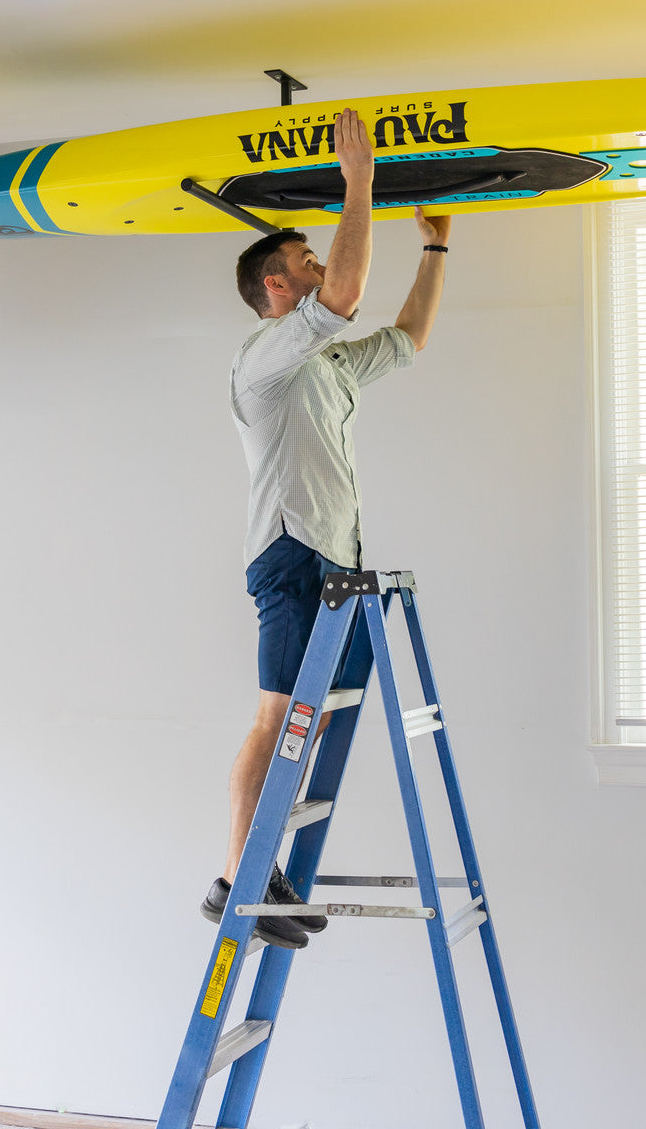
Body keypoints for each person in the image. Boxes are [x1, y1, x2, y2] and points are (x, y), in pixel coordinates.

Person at [201, 108, 451, 949]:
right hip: (292, 555)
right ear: (277, 287)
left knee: (299, 724)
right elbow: (341, 296)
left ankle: (259, 867)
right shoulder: (264, 356)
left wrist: (435, 249)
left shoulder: (329, 364)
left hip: (335, 563)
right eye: (305, 260)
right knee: (276, 719)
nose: (319, 266)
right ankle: (235, 881)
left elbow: (410, 337)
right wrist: (358, 183)